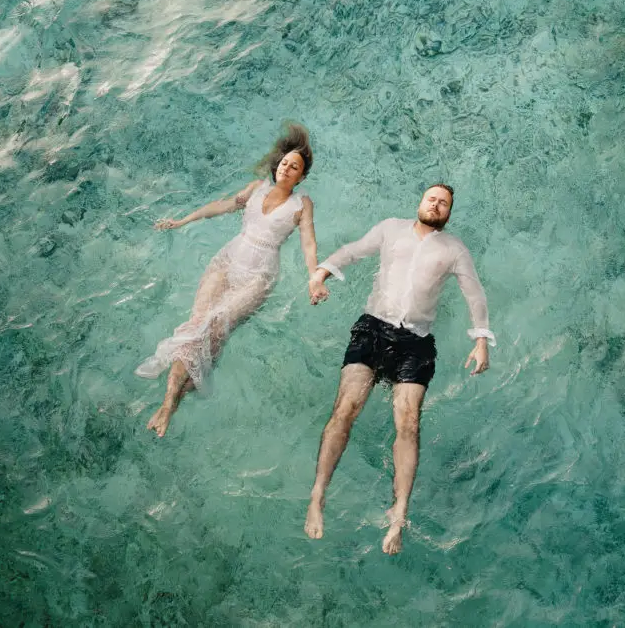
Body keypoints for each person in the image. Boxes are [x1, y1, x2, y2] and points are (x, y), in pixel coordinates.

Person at [303, 184, 496, 554]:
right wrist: (321, 273)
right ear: (420, 202)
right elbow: (354, 251)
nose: (436, 204)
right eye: (431, 198)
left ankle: (398, 515)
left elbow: (474, 292)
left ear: (448, 214)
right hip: (373, 327)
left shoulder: (454, 249)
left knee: (408, 423)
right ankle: (318, 495)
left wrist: (481, 339)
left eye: (443, 203)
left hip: (416, 342)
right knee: (346, 409)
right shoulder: (391, 228)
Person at [136, 123, 319, 437]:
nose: (287, 169)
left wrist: (315, 277)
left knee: (215, 327)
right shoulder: (255, 187)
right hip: (228, 260)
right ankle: (169, 402)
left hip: (259, 276)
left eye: (295, 167)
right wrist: (181, 221)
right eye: (285, 163)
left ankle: (173, 399)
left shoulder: (301, 205)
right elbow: (220, 207)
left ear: (302, 177)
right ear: (278, 166)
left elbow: (308, 243)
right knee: (198, 324)